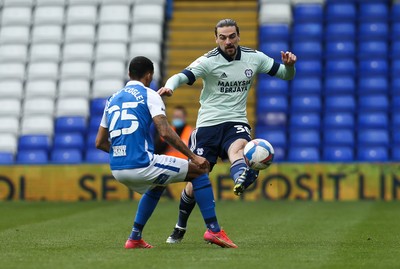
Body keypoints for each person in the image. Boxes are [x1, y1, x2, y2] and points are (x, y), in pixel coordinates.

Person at [158, 19, 297, 243]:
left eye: (232, 36)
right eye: (222, 37)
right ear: (216, 39)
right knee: (197, 178)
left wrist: (289, 65)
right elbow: (183, 75)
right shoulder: (209, 61)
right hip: (208, 126)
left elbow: (285, 75)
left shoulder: (255, 57)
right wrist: (169, 87)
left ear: (238, 36)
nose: (228, 41)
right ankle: (180, 225)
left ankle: (240, 179)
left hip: (236, 121)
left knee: (239, 149)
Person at [95, 56, 237, 249]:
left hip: (117, 167)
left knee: (157, 185)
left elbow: (99, 142)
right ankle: (214, 230)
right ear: (149, 76)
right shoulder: (149, 94)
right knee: (199, 170)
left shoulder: (111, 100)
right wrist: (194, 156)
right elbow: (164, 132)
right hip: (141, 164)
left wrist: (121, 152)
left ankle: (135, 237)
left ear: (129, 74)